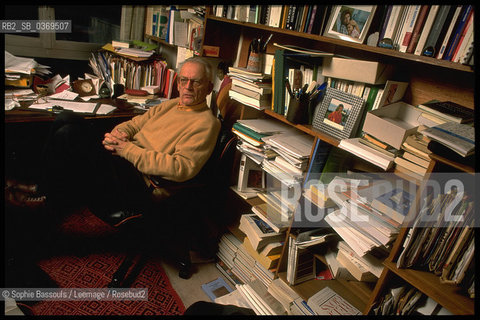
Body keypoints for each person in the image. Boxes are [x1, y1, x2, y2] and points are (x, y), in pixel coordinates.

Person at [7, 56, 221, 226]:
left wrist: (127, 150)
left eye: (196, 82)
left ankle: (46, 203)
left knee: (70, 134)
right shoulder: (172, 104)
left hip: (141, 181)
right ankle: (41, 188)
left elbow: (181, 168)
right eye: (184, 80)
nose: (188, 87)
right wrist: (118, 135)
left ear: (208, 87)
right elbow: (136, 123)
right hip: (123, 160)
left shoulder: (206, 123)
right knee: (65, 117)